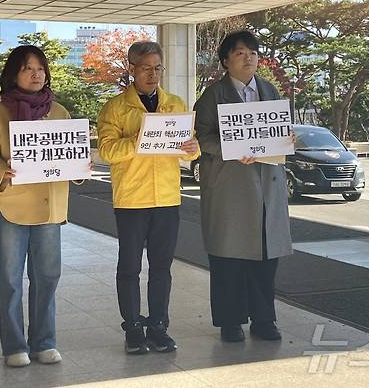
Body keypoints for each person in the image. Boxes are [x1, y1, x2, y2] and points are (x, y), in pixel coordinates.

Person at [97, 41, 199, 354]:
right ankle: (132, 329)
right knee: (129, 268)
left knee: (161, 268)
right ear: (131, 69)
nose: (152, 74)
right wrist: (139, 140)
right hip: (131, 200)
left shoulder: (175, 103)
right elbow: (107, 151)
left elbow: (187, 145)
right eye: (145, 68)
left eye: (157, 68)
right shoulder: (115, 107)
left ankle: (158, 326)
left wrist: (194, 149)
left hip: (168, 198)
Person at [0, 45, 69, 368]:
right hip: (9, 206)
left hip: (47, 208)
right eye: (28, 68)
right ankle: (14, 346)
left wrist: (77, 166)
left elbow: (70, 154)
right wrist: (2, 170)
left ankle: (44, 342)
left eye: (40, 68)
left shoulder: (59, 112)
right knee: (11, 280)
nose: (36, 74)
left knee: (47, 277)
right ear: (14, 74)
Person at [194, 30, 293, 343]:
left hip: (267, 189)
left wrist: (286, 140)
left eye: (252, 51)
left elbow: (280, 130)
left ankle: (264, 320)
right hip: (230, 189)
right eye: (239, 52)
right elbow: (201, 137)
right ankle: (230, 322)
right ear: (225, 61)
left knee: (265, 259)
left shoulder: (269, 89)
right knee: (229, 259)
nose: (248, 57)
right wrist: (233, 150)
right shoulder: (213, 95)